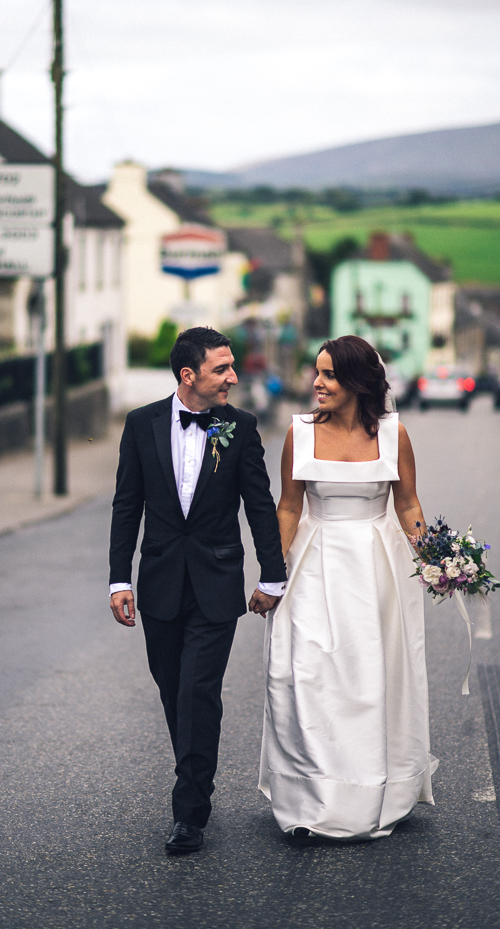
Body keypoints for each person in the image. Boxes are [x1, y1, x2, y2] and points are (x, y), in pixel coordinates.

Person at [109, 327, 286, 854]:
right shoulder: (140, 425)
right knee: (171, 691)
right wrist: (120, 578)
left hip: (216, 583)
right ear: (189, 375)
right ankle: (194, 775)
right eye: (222, 369)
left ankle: (190, 810)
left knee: (197, 692)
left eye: (233, 367)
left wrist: (271, 574)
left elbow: (260, 504)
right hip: (160, 583)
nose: (234, 377)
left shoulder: (241, 427)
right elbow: (126, 504)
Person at [259, 335, 438, 841]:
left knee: (368, 681)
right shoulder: (299, 434)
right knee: (309, 677)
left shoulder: (394, 435)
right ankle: (312, 796)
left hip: (374, 572)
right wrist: (272, 576)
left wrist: (438, 562)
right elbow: (289, 507)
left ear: (358, 382)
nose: (317, 382)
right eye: (317, 372)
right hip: (314, 566)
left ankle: (372, 789)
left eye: (330, 374)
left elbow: (408, 506)